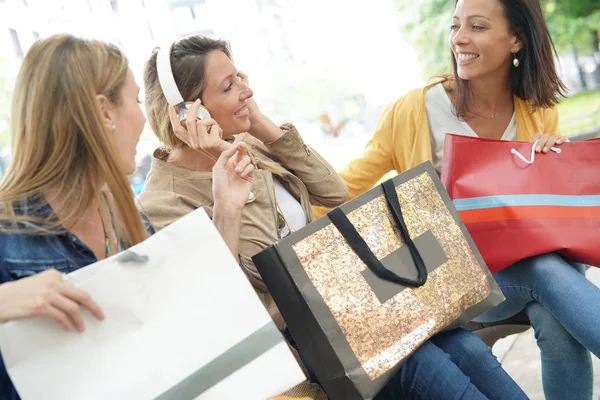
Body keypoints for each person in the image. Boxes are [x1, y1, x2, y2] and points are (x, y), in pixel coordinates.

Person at [139, 35, 527, 399]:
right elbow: (242, 287)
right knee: (427, 365)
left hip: (355, 305)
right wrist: (226, 187)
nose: (247, 91)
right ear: (187, 112)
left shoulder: (251, 143)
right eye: (228, 87)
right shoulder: (165, 201)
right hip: (304, 339)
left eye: (240, 77)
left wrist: (263, 127)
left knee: (466, 347)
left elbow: (334, 192)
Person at [314, 0, 600, 398]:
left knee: (552, 310)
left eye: (477, 27)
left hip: (521, 264)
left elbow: (540, 214)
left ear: (516, 39)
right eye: (456, 25)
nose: (459, 39)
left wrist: (551, 159)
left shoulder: (536, 109)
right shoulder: (417, 109)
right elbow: (340, 190)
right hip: (451, 277)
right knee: (545, 271)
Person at [0, 34, 255, 400]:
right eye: (135, 100)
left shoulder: (123, 215)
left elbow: (188, 313)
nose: (144, 118)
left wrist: (227, 209)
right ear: (105, 112)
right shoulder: (8, 228)